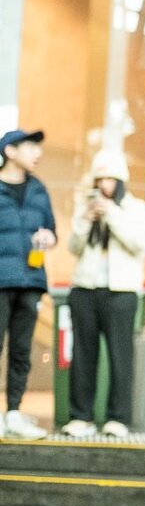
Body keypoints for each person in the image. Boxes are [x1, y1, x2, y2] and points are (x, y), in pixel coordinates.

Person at [60, 148, 145, 438]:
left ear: (121, 181)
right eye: (99, 179)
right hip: (85, 289)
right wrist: (86, 219)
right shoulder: (85, 207)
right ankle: (81, 417)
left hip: (121, 292)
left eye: (110, 179)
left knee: (120, 355)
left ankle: (118, 418)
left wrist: (111, 214)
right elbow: (73, 248)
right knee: (83, 355)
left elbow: (140, 243)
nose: (103, 186)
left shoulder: (135, 208)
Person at [0, 129, 55, 441]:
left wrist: (49, 237)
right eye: (30, 147)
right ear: (10, 151)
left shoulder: (39, 191)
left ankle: (14, 413)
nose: (37, 153)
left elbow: (52, 229)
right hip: (1, 281)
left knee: (22, 350)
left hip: (31, 281)